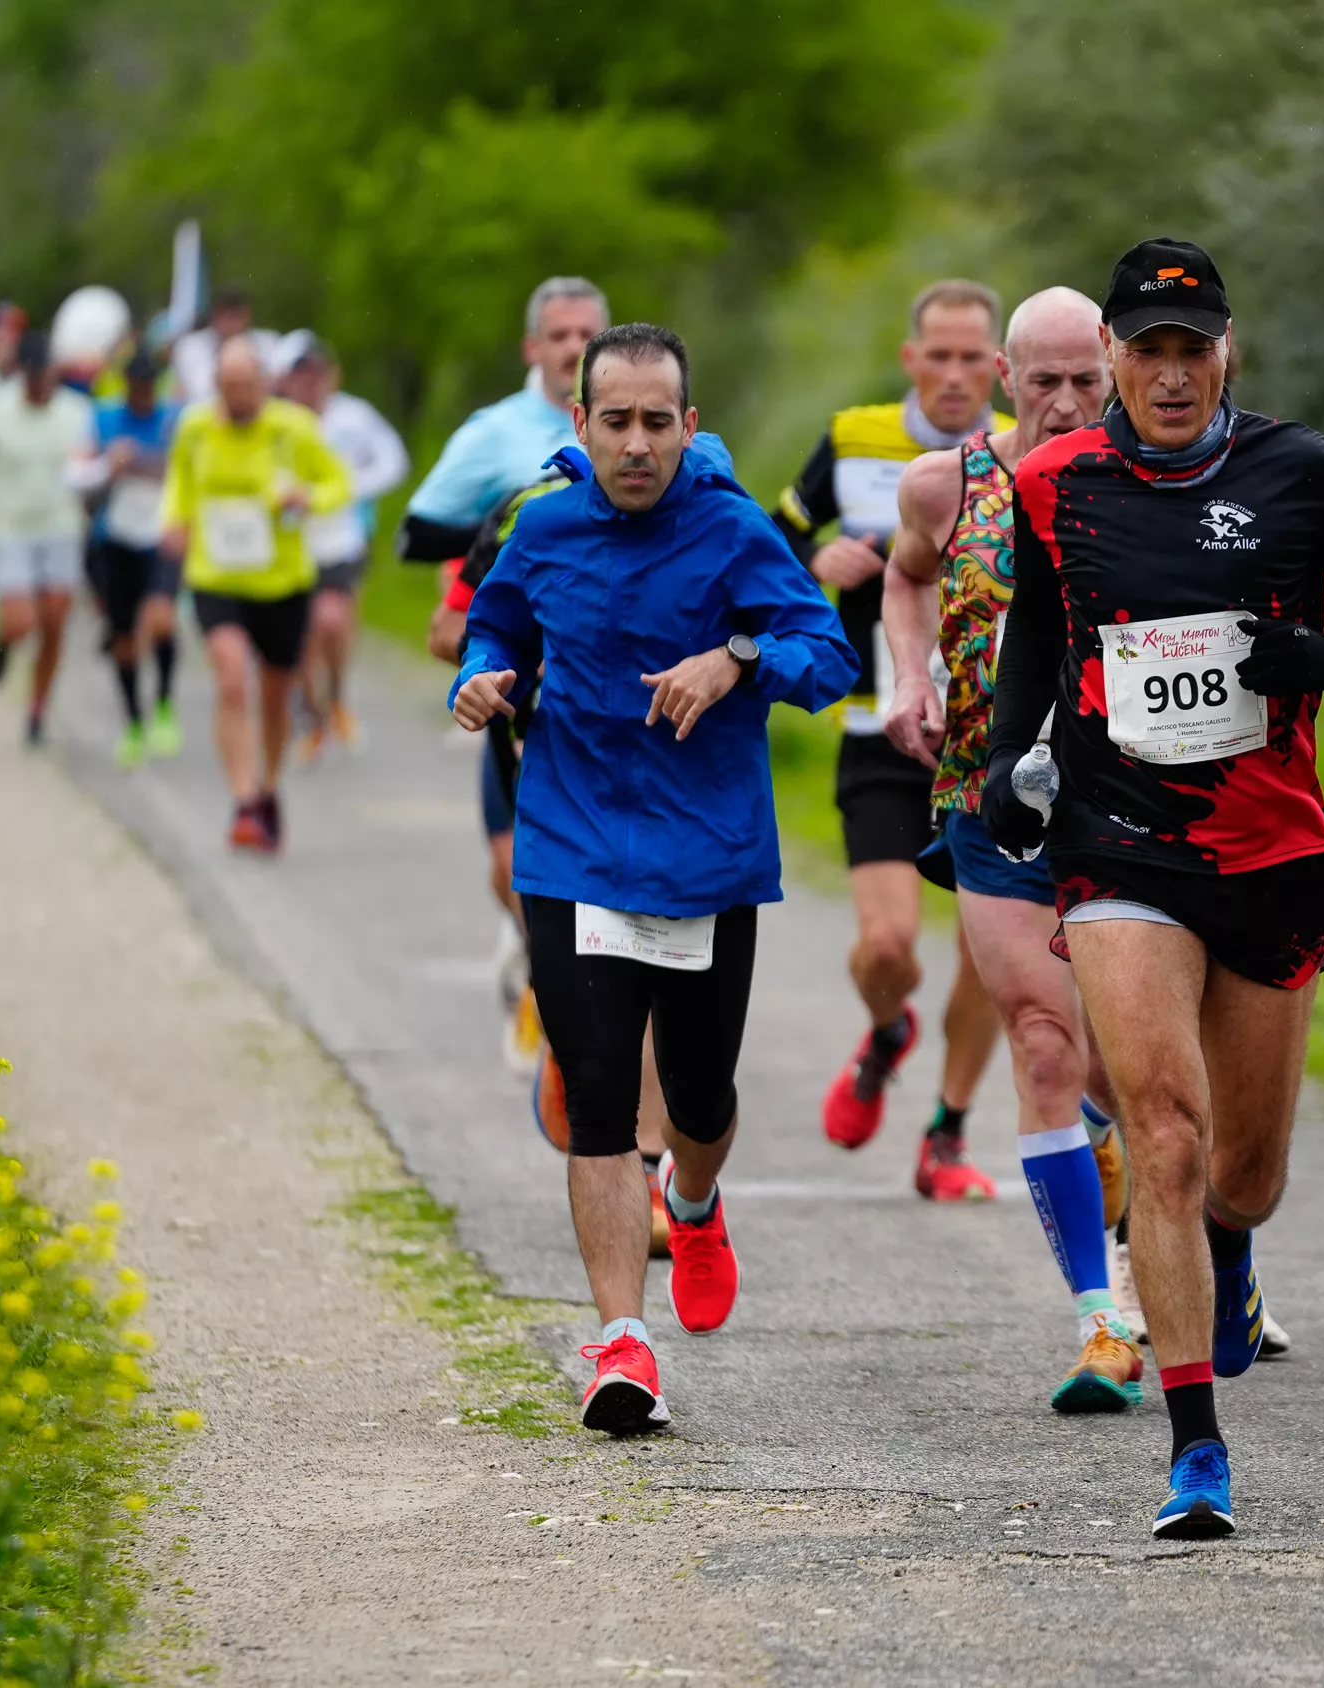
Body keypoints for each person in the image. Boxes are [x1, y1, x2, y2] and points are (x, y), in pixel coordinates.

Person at [980, 238, 1324, 1538]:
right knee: (1159, 1129)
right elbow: (1039, 635)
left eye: (1192, 350)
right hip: (1119, 842)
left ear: (1228, 352)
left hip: (1268, 849)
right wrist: (1007, 764)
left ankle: (1234, 1254)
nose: (1170, 374)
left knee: (1245, 1171)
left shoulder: (1301, 472)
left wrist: (1319, 656)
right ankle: (1195, 1448)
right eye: (1146, 351)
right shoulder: (1054, 483)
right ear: (1108, 355)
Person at [451, 322, 858, 1434]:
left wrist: (736, 659)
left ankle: (695, 1196)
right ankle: (621, 1343)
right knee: (593, 1095)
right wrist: (485, 678)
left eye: (657, 421)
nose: (637, 443)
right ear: (579, 425)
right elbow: (493, 626)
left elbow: (828, 653)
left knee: (699, 1096)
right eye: (615, 420)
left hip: (707, 853)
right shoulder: (539, 532)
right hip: (572, 843)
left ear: (690, 424)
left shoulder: (732, 532)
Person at [878, 285, 1141, 1410]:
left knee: (1130, 1069)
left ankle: (1193, 1249)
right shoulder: (948, 485)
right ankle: (1100, 1320)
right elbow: (904, 574)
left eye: (1092, 378)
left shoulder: (1162, 478)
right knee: (1044, 1041)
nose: (1071, 400)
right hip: (991, 797)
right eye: (1047, 381)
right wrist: (905, 675)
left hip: (1140, 802)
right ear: (1002, 380)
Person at [776, 281, 1010, 1195]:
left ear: (996, 365)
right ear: (910, 359)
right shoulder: (851, 439)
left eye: (971, 358)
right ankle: (886, 1034)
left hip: (993, 737)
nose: (954, 376)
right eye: (937, 356)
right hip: (880, 731)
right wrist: (809, 558)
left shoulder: (1022, 452)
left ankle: (947, 1132)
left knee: (994, 956)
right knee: (887, 949)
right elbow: (755, 544)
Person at [410, 276, 611, 1071]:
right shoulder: (495, 436)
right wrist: (500, 551)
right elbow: (423, 531)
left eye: (585, 334)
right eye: (558, 336)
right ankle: (538, 949)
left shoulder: (642, 432)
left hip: (607, 686)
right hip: (519, 675)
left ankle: (582, 1008)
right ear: (534, 348)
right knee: (512, 867)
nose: (572, 349)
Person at [158, 335, 351, 853]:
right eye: (229, 386)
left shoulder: (294, 429)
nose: (239, 395)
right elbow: (178, 480)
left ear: (265, 384)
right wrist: (174, 520)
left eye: (248, 385)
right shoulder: (195, 427)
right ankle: (244, 800)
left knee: (273, 695)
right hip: (215, 578)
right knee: (230, 679)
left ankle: (267, 785)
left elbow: (339, 484)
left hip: (282, 581)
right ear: (216, 385)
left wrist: (304, 497)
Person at [0, 330, 98, 745]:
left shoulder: (77, 412)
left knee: (54, 621)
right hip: (11, 526)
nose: (40, 384)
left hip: (61, 526)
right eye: (33, 375)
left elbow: (90, 471)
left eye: (47, 375)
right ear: (22, 373)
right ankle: (3, 638)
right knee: (23, 623)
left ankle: (37, 709)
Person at [274, 331, 410, 757]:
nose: (310, 383)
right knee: (305, 627)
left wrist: (354, 487)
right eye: (301, 375)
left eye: (317, 373)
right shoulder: (278, 421)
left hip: (346, 533)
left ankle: (333, 697)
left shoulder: (354, 416)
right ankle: (310, 706)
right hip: (293, 536)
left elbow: (394, 461)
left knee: (334, 620)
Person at [80, 352, 187, 766]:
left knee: (162, 618)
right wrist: (110, 464)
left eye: (148, 385)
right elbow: (78, 474)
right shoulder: (102, 419)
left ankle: (163, 702)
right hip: (115, 537)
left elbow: (187, 471)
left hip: (161, 535)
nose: (141, 393)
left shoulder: (175, 420)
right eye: (135, 385)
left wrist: (147, 466)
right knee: (123, 635)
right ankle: (133, 721)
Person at [169, 288, 273, 410]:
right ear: (214, 317)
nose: (233, 324)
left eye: (238, 316)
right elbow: (197, 393)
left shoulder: (267, 343)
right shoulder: (190, 347)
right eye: (228, 317)